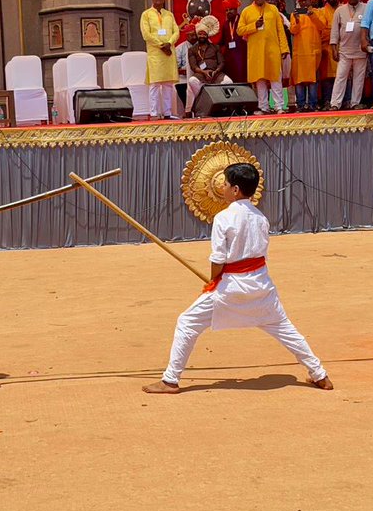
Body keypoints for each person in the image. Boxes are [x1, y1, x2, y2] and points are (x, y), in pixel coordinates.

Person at [141, 163, 333, 395]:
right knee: (285, 329)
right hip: (261, 286)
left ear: (235, 189)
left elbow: (218, 259)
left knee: (187, 322)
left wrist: (213, 282)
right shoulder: (261, 218)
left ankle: (170, 380)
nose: (222, 187)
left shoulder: (224, 218)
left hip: (232, 287)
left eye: (225, 183)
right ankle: (320, 375)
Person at [238, 0, 290, 115]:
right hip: (256, 52)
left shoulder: (273, 9)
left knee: (275, 78)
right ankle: (263, 107)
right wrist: (254, 26)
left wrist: (284, 49)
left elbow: (280, 30)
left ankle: (279, 106)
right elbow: (240, 30)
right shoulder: (246, 11)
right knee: (260, 79)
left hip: (273, 50)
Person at [141, 0, 181, 120]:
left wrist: (169, 43)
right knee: (155, 84)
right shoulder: (146, 14)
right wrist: (161, 45)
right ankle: (153, 113)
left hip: (168, 52)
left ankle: (168, 113)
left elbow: (176, 32)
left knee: (168, 84)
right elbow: (146, 34)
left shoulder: (169, 15)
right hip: (156, 54)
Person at [330, 0, 368, 110]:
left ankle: (355, 103)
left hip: (361, 50)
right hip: (344, 50)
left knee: (359, 78)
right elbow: (334, 31)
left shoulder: (366, 8)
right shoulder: (340, 10)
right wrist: (334, 48)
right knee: (340, 77)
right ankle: (335, 103)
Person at [186, 15, 232, 116]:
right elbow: (193, 66)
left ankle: (222, 106)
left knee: (228, 82)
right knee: (192, 81)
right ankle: (205, 101)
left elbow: (222, 62)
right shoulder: (192, 50)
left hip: (216, 73)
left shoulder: (215, 47)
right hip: (201, 74)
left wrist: (216, 71)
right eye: (200, 34)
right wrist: (204, 72)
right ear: (197, 35)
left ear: (207, 35)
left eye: (204, 34)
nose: (202, 36)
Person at [289, 0, 323, 112]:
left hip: (313, 52)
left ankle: (313, 104)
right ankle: (301, 105)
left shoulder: (318, 12)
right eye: (301, 1)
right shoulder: (294, 15)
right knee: (299, 80)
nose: (303, 3)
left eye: (306, 0)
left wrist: (312, 16)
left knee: (312, 80)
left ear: (310, 0)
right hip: (300, 53)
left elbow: (322, 26)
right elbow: (293, 31)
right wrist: (297, 20)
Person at [316, 0, 340, 110]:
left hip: (343, 47)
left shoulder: (344, 9)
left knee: (343, 76)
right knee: (327, 78)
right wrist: (335, 32)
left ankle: (344, 101)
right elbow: (322, 30)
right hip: (327, 48)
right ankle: (327, 101)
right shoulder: (322, 11)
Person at [220, 0, 248, 83]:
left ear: (236, 10)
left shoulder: (242, 21)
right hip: (229, 58)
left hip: (242, 56)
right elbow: (222, 42)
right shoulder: (225, 25)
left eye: (231, 9)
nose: (228, 12)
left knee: (243, 80)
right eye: (227, 10)